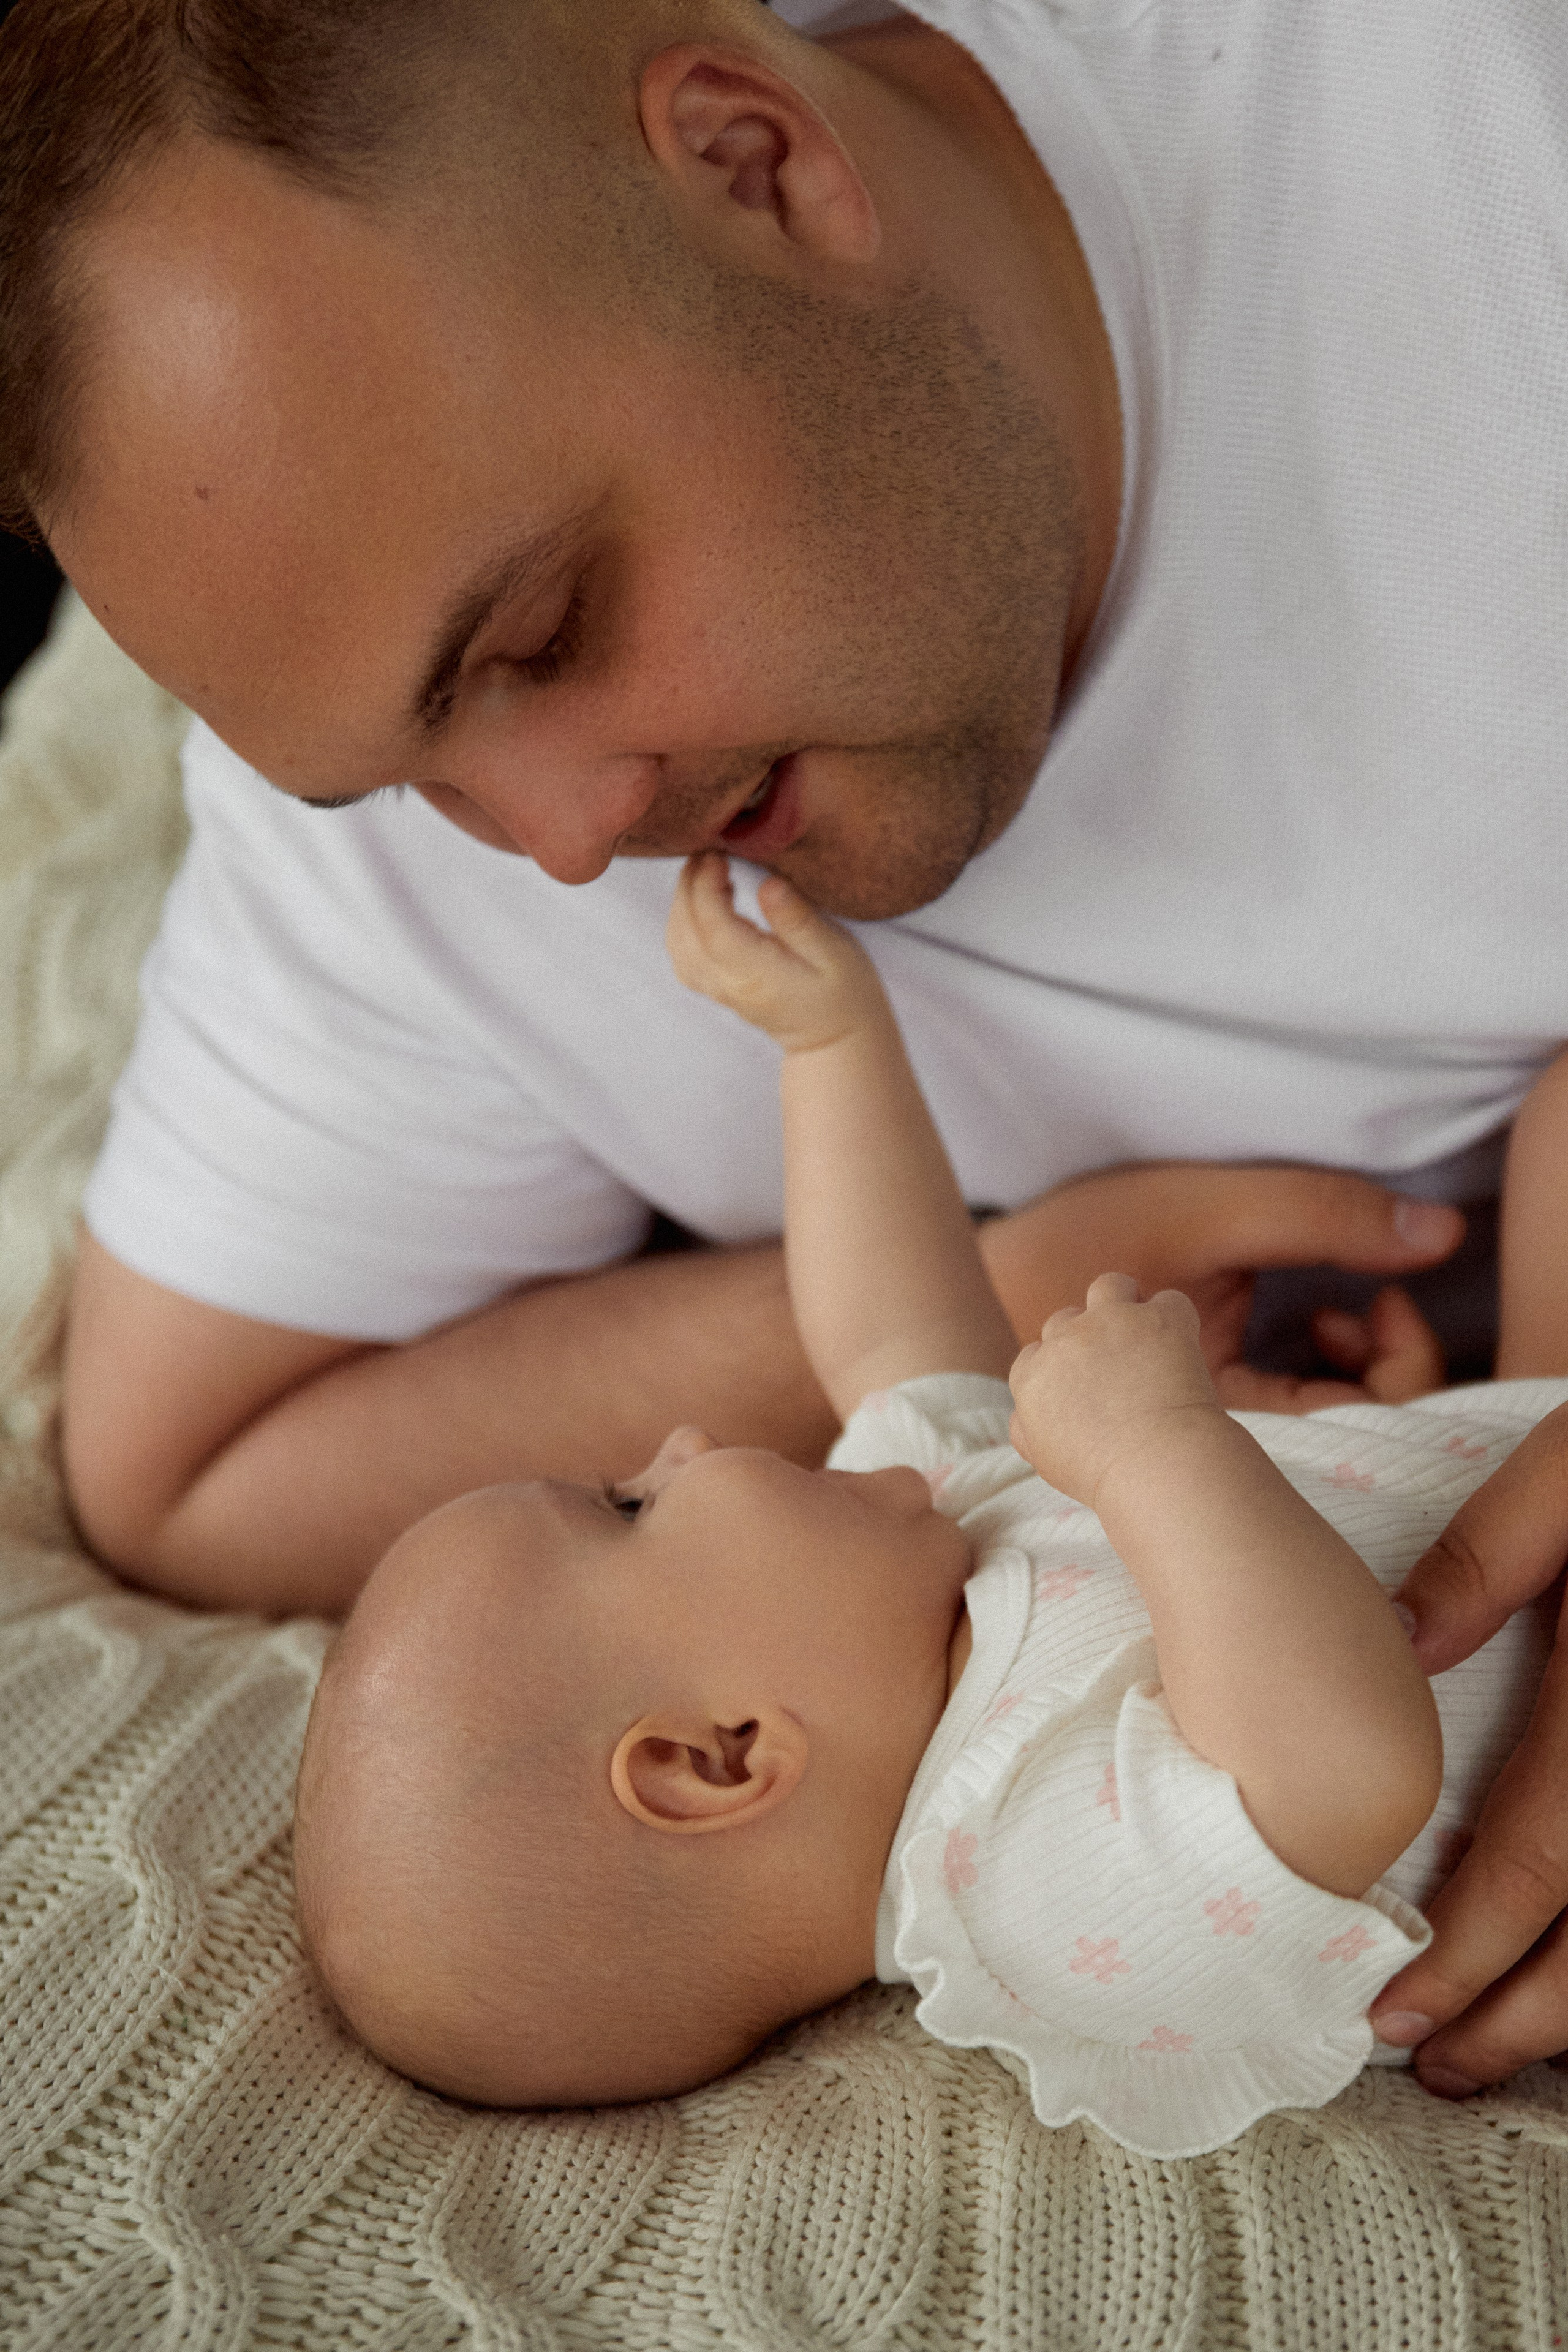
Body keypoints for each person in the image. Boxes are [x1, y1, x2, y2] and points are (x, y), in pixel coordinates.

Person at [1, 0, 1564, 2101]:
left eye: (544, 630)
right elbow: (184, 1470)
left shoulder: (1481, 153)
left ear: (756, 158)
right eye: (402, 777)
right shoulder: (390, 859)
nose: (557, 850)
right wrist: (1023, 1294)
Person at [293, 853, 1559, 2152]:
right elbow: (1343, 1770)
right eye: (626, 1507)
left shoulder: (921, 1555)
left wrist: (828, 1039)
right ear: (721, 1757)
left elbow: (886, 1323)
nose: (674, 1444)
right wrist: (1156, 1451)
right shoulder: (1030, 1884)